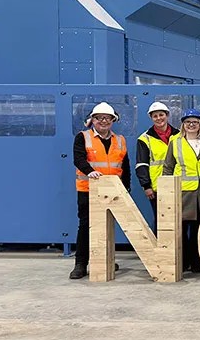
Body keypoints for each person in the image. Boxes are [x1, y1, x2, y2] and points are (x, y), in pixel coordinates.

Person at [70, 102, 131, 279]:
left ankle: (105, 260)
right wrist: (90, 171)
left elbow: (125, 166)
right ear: (93, 120)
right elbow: (78, 159)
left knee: (107, 226)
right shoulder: (83, 137)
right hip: (88, 190)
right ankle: (81, 264)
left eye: (107, 118)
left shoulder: (120, 140)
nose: (103, 121)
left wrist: (126, 188)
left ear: (113, 120)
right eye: (99, 118)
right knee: (85, 226)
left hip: (113, 191)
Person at [162, 109, 200, 274]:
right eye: (188, 122)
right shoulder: (175, 142)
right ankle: (183, 262)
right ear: (183, 124)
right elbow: (168, 167)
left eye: (195, 122)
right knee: (181, 228)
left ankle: (197, 262)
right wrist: (166, 190)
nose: (191, 125)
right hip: (183, 191)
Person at [135, 101, 178, 224]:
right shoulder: (144, 139)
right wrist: (146, 186)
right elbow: (141, 165)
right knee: (162, 221)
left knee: (179, 220)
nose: (159, 118)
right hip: (157, 187)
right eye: (155, 116)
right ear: (151, 118)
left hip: (179, 183)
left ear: (167, 115)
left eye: (161, 115)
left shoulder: (179, 135)